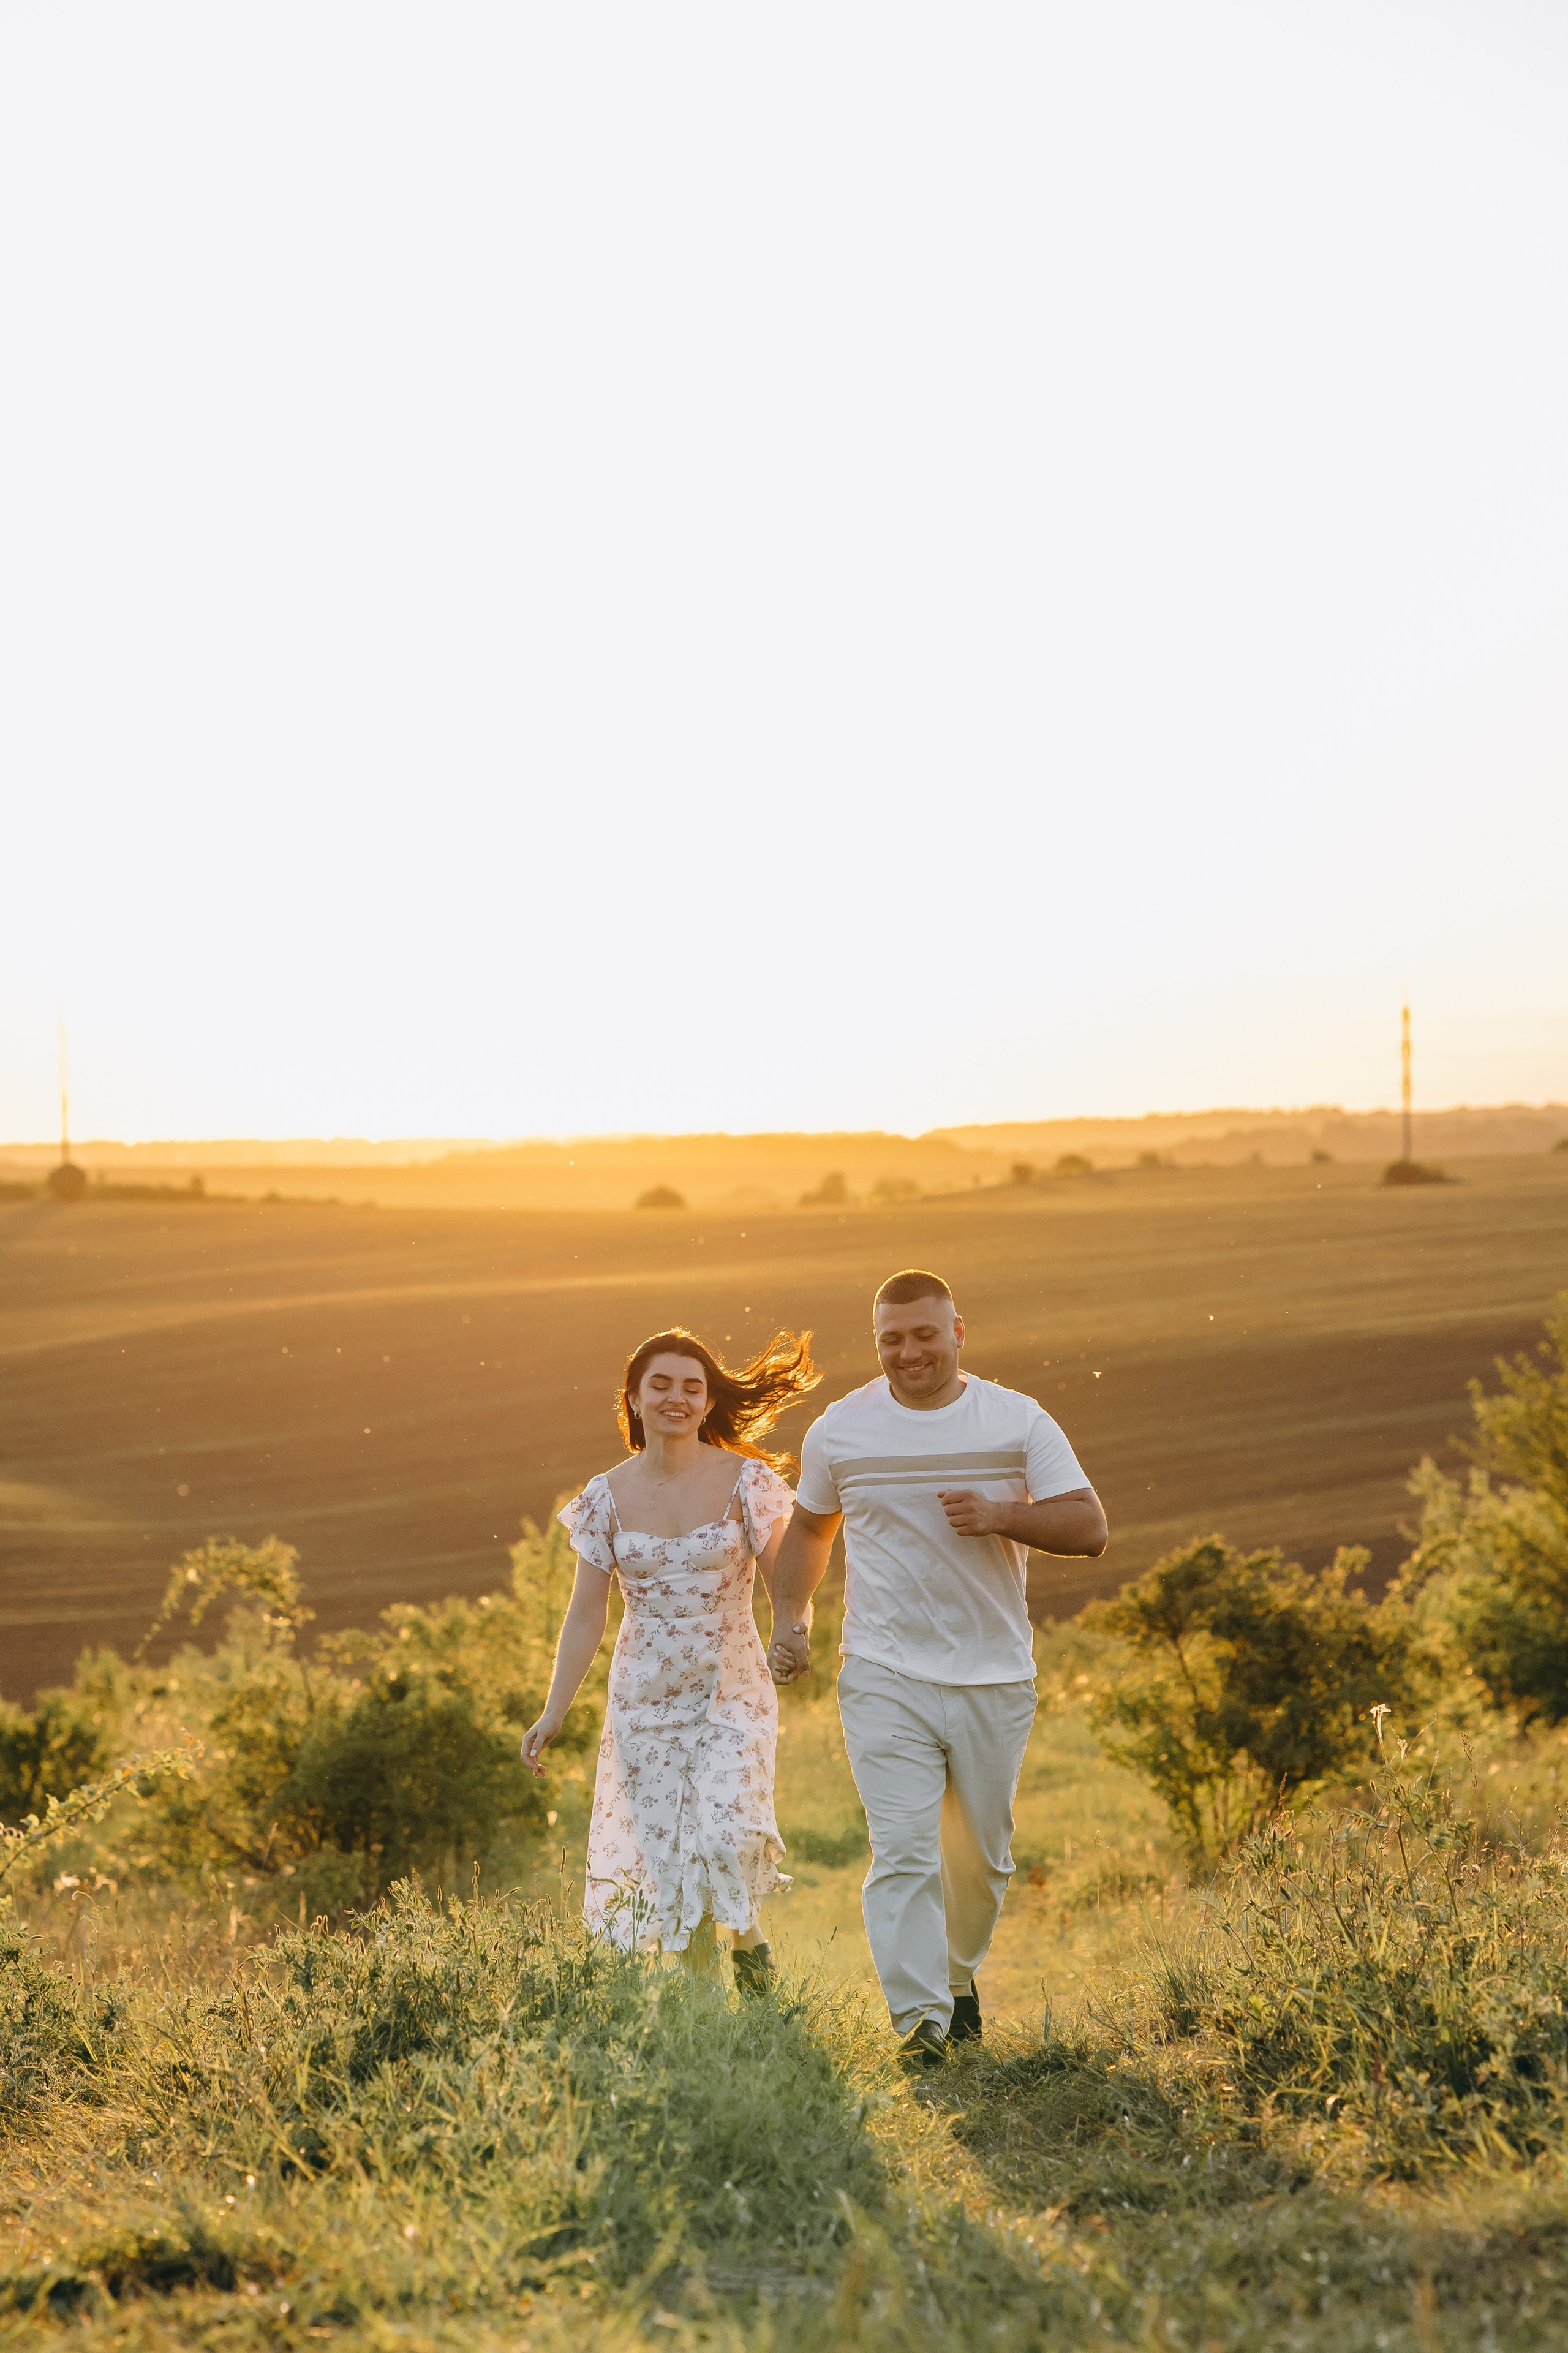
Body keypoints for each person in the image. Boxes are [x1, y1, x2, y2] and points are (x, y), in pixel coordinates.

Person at [767, 1270, 1107, 2064]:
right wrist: (792, 1617)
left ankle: (957, 1981)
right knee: (906, 1849)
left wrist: (1003, 1515)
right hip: (883, 1669)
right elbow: (811, 1532)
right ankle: (921, 2026)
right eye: (892, 1338)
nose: (908, 1351)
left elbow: (1089, 1527)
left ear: (959, 1332)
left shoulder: (1016, 1419)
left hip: (994, 1675)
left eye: (925, 1334)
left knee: (981, 1861)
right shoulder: (842, 1429)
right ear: (877, 1341)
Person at [522, 1324, 818, 1990]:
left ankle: (747, 1943)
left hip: (731, 1684)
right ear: (632, 1397)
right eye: (660, 1385)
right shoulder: (605, 1495)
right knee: (673, 1862)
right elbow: (585, 1613)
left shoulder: (747, 1480)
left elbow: (786, 1580)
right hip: (644, 1699)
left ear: (709, 1402)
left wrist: (793, 1631)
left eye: (692, 1387)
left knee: (727, 1833)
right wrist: (554, 1711)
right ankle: (705, 2016)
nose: (676, 1398)